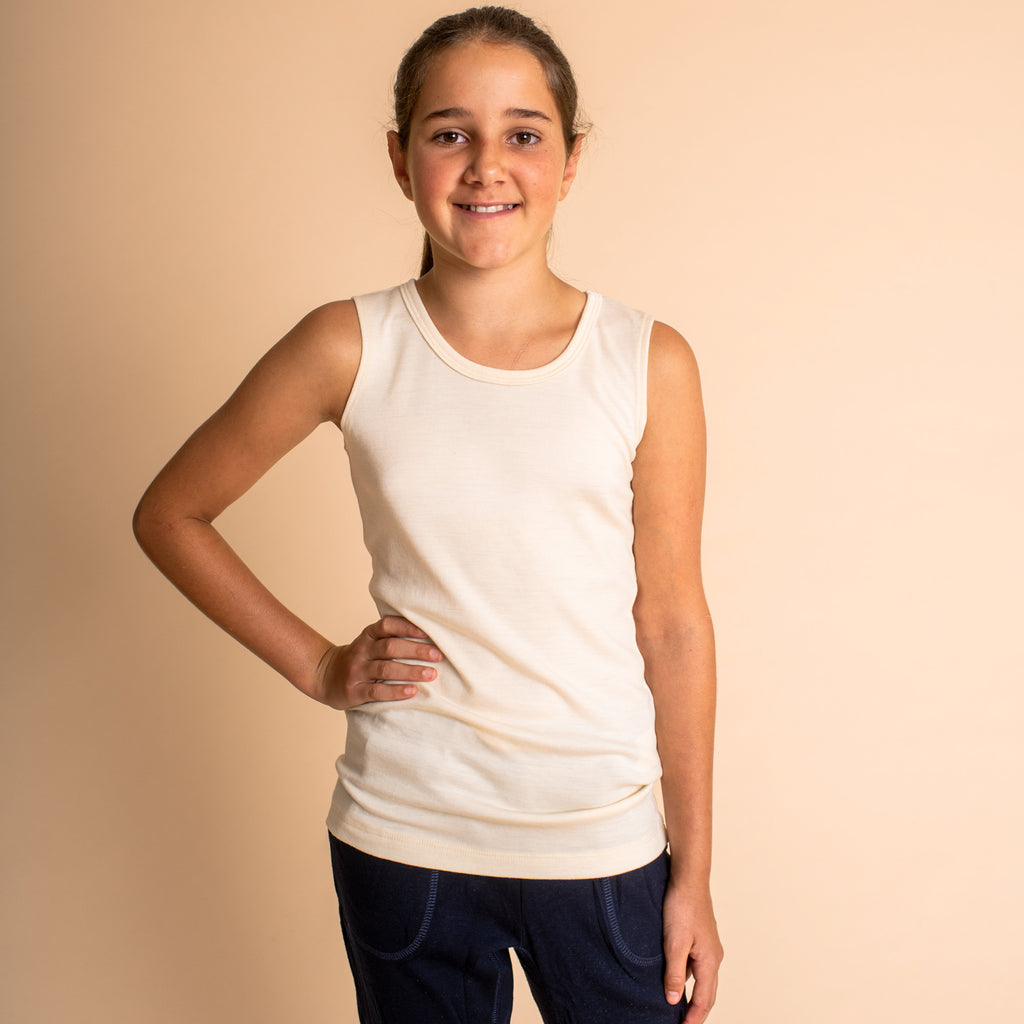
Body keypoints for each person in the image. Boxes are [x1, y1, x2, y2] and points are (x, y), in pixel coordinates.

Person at [133, 6, 723, 1022]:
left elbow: (672, 621)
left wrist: (695, 874)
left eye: (523, 133)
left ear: (571, 160)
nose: (487, 164)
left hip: (600, 840)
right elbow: (172, 513)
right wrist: (318, 665)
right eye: (451, 132)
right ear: (400, 159)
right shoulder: (348, 345)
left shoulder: (646, 361)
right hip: (407, 840)